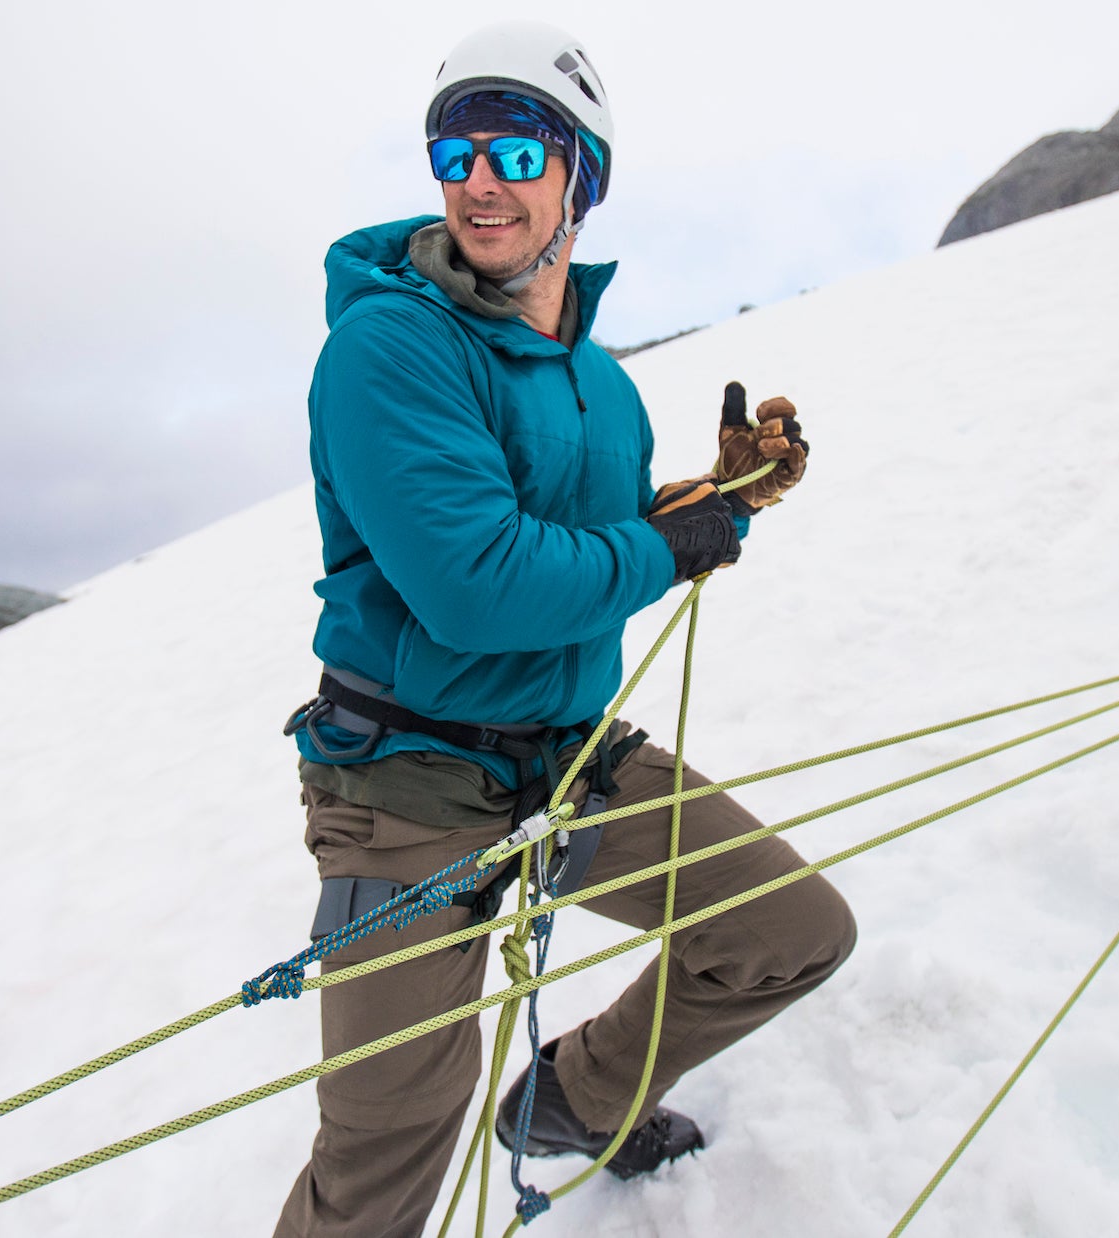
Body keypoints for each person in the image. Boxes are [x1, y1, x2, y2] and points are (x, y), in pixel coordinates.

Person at [274, 21, 856, 1237]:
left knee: (787, 933)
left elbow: (584, 536)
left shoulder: (603, 378)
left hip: (571, 755)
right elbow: (479, 585)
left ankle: (573, 1100)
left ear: (580, 174)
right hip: (406, 780)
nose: (481, 177)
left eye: (519, 148)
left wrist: (710, 506)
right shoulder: (388, 347)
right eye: (457, 148)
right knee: (391, 1140)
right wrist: (662, 546)